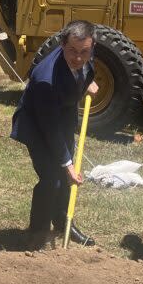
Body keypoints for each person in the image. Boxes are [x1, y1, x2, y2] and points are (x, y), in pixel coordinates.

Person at [10, 20, 100, 250]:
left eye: (84, 52)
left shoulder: (85, 55)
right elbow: (49, 128)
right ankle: (37, 234)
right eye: (72, 51)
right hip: (38, 127)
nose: (78, 58)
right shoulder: (45, 79)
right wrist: (67, 163)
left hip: (62, 118)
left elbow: (84, 70)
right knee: (52, 178)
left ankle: (62, 222)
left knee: (65, 179)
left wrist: (85, 83)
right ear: (62, 45)